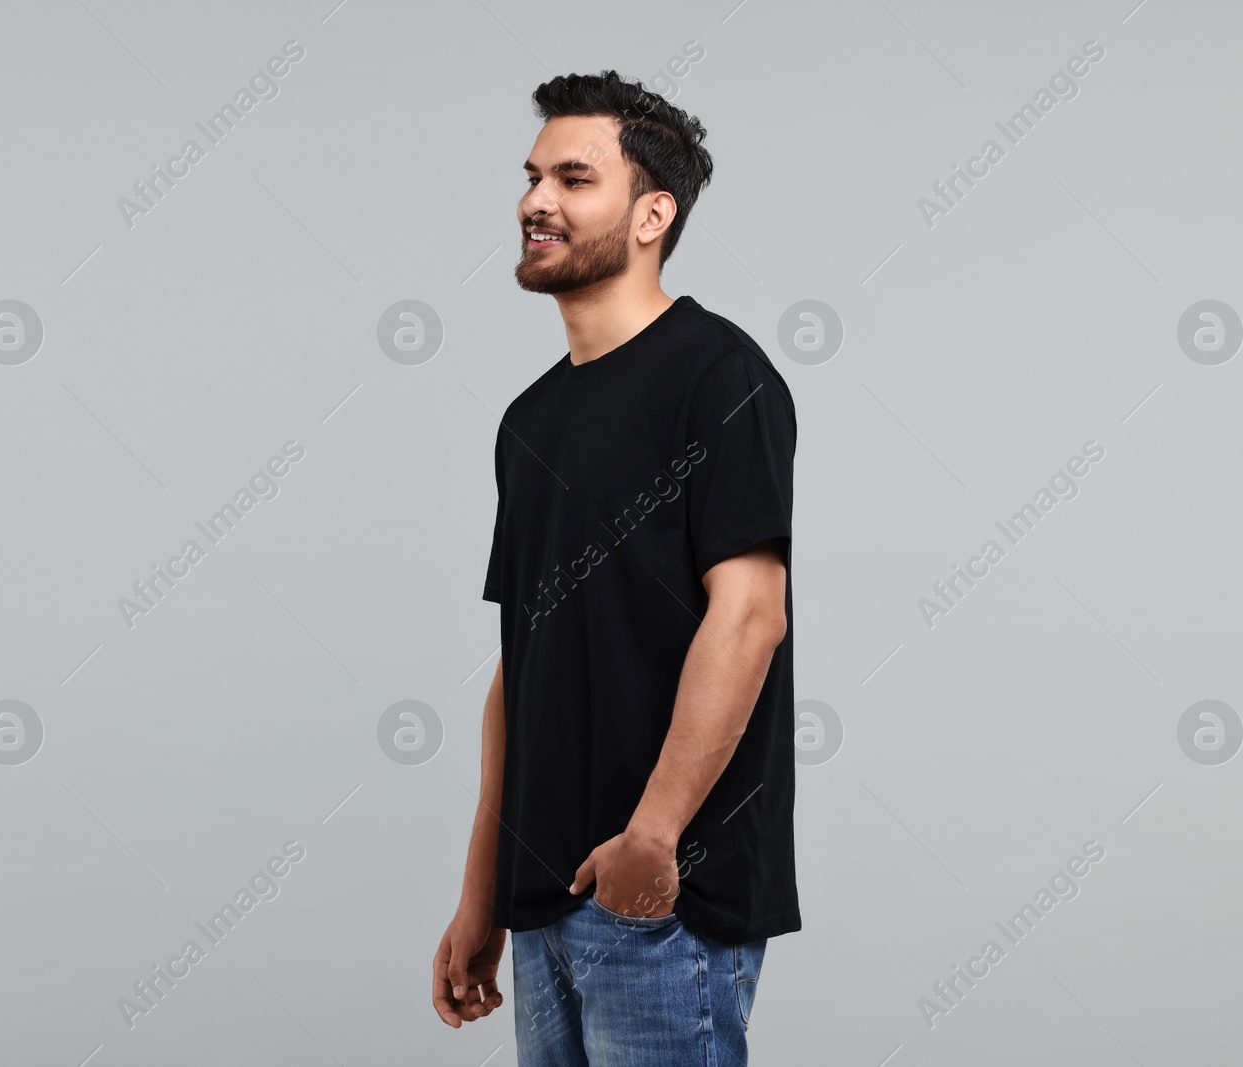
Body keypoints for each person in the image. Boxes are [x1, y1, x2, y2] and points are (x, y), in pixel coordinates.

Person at [432, 69, 800, 1066]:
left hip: (664, 893)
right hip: (547, 896)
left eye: (574, 177)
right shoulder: (530, 421)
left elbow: (750, 614)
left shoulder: (719, 378)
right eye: (533, 175)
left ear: (652, 213)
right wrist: (484, 895)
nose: (535, 201)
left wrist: (653, 834)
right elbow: (522, 664)